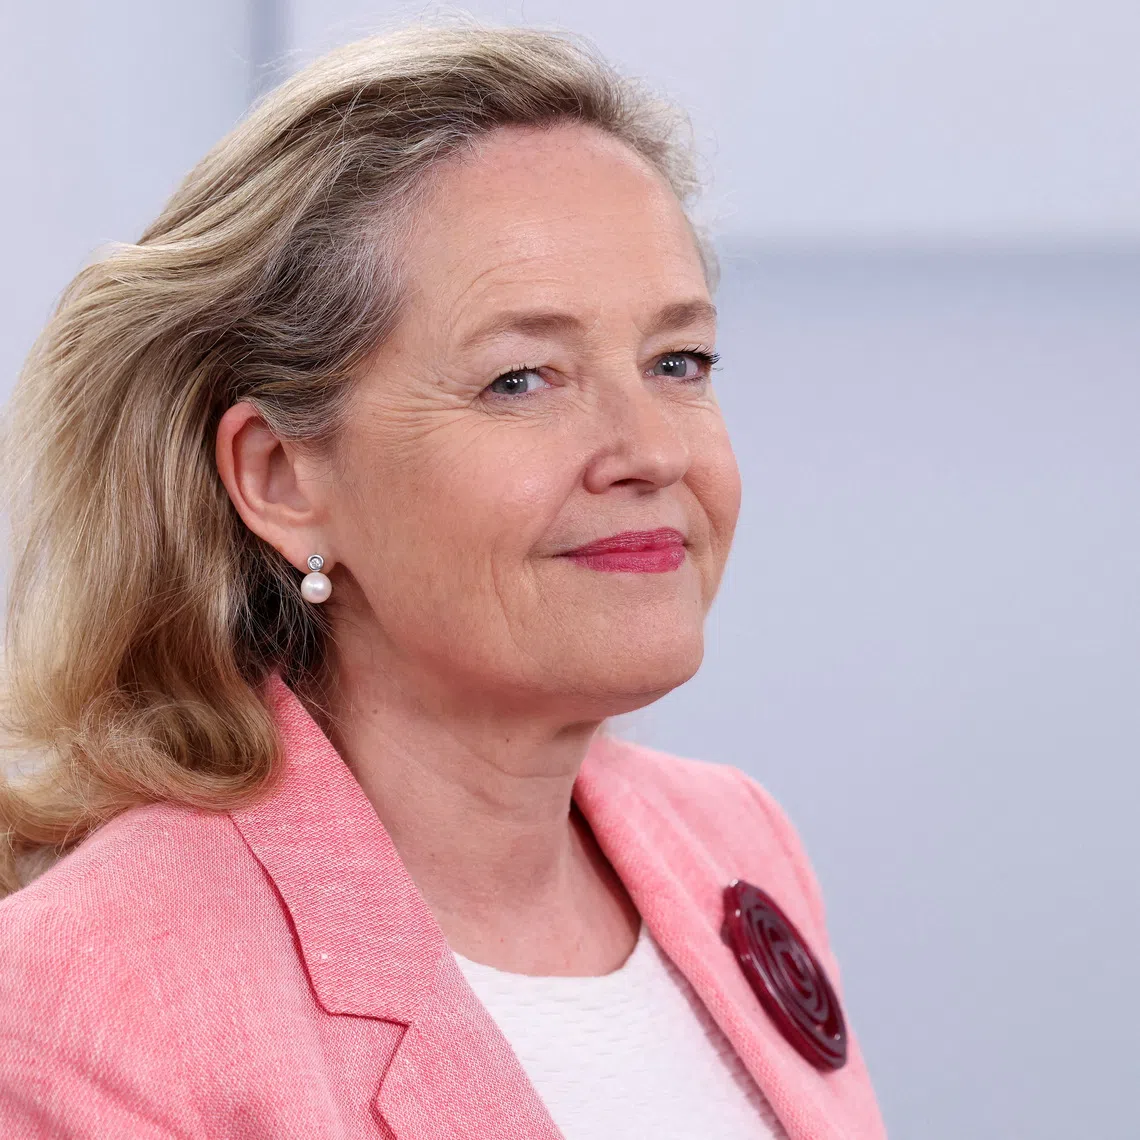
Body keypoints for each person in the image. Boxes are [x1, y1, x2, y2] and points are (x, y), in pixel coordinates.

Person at [0, 22, 885, 1140]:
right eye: (521, 379)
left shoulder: (734, 841)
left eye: (679, 362)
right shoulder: (82, 1002)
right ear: (280, 477)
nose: (652, 451)